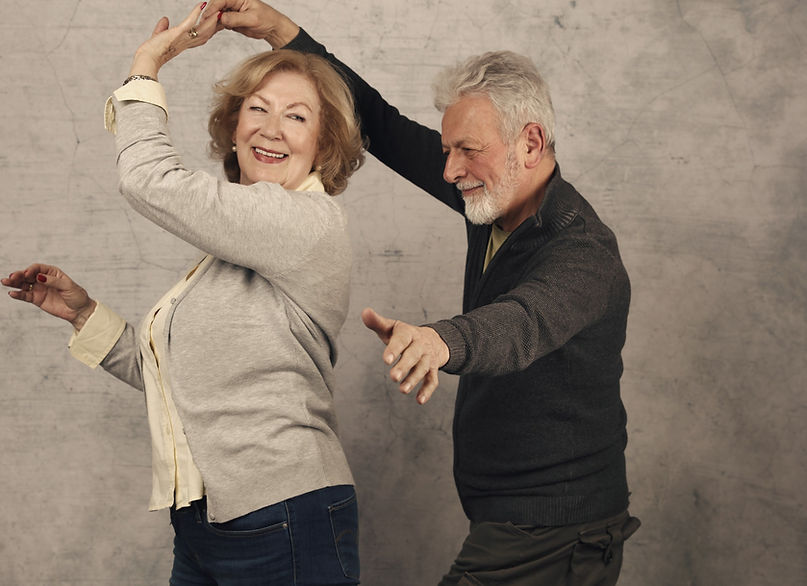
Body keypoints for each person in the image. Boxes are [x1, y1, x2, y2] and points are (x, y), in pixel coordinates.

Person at [201, 1, 641, 584]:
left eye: (468, 150)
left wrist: (439, 341)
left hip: (558, 531)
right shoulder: (494, 198)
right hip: (510, 517)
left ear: (530, 143)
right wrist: (281, 32)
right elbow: (380, 125)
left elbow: (524, 321)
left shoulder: (583, 251)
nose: (451, 171)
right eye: (447, 150)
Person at [2, 4, 365, 584]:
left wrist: (148, 63)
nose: (271, 128)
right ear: (234, 127)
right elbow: (185, 382)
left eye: (296, 117)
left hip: (282, 517)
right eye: (258, 109)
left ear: (323, 147)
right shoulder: (230, 252)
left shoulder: (306, 223)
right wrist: (84, 315)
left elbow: (148, 178)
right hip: (205, 523)